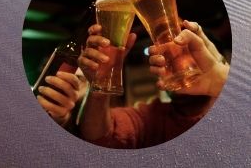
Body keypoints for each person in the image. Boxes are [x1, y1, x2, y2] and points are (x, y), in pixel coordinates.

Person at [78, 20, 229, 148]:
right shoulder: (154, 118)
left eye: (186, 52)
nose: (176, 65)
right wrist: (100, 86)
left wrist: (219, 81)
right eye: (168, 58)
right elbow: (98, 137)